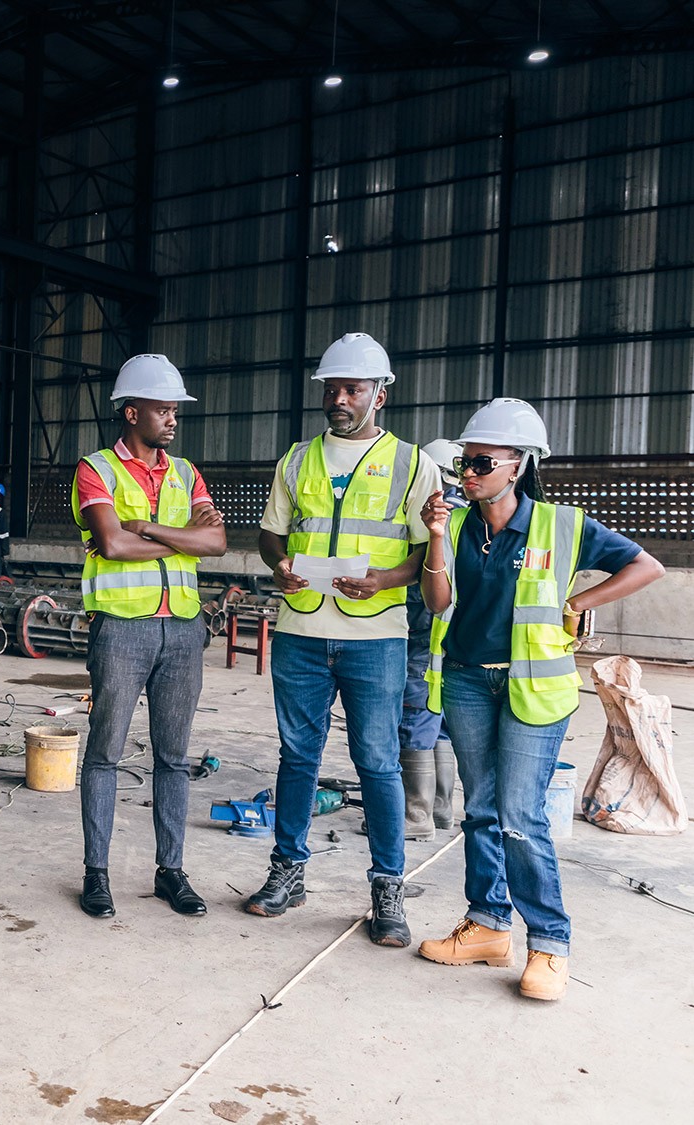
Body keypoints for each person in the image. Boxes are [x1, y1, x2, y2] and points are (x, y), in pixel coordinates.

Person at [417, 397, 664, 1000]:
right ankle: (488, 925)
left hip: (534, 686)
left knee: (520, 816)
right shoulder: (458, 524)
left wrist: (578, 605)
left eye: (479, 462)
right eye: (462, 464)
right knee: (480, 808)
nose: (467, 474)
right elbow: (435, 603)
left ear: (517, 465)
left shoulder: (564, 525)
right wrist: (435, 537)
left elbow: (647, 566)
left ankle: (550, 943)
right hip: (470, 682)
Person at [244, 332, 439, 947]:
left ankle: (387, 889)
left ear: (379, 395)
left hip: (375, 635)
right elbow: (270, 534)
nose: (339, 398)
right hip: (302, 628)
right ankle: (288, 873)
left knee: (377, 762)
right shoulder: (297, 459)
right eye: (332, 388)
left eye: (352, 389)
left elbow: (422, 551)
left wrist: (386, 579)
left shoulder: (412, 463)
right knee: (297, 757)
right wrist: (279, 566)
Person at [71, 353, 226, 919]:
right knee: (105, 753)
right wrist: (182, 538)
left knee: (174, 756)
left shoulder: (186, 473)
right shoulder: (96, 469)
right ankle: (97, 874)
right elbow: (112, 545)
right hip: (122, 627)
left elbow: (217, 544)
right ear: (131, 412)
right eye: (163, 408)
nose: (173, 418)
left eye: (175, 410)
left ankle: (171, 871)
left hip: (183, 628)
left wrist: (153, 530)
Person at [397, 439, 467, 842]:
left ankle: (414, 815)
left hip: (422, 628)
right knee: (438, 721)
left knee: (415, 718)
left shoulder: (432, 517)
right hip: (454, 634)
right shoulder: (471, 515)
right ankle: (441, 811)